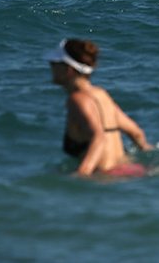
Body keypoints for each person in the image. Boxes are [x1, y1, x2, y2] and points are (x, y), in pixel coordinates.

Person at [47, 38, 153, 178]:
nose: (50, 66)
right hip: (132, 170)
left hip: (106, 178)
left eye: (54, 63)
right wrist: (148, 155)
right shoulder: (101, 95)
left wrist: (81, 174)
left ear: (69, 70)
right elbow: (136, 133)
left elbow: (99, 137)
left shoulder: (77, 99)